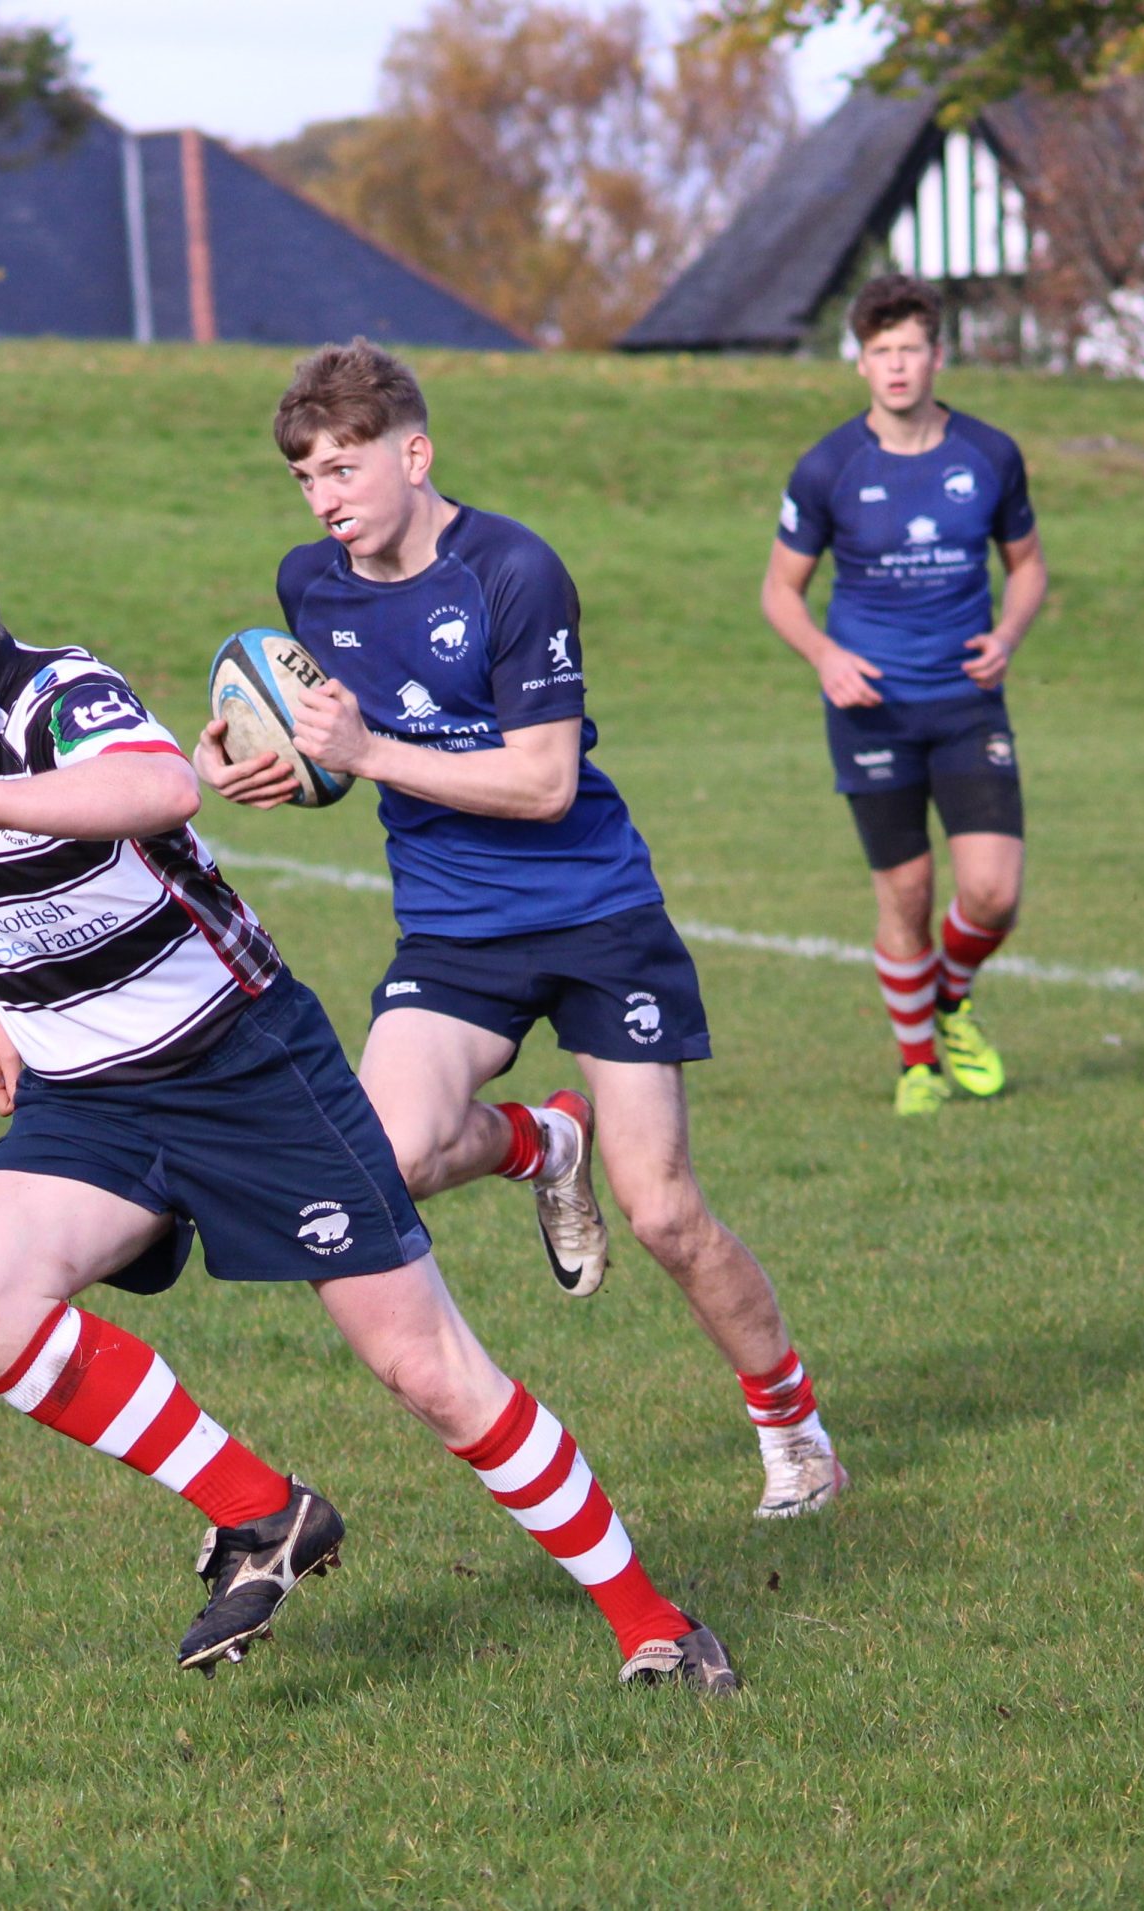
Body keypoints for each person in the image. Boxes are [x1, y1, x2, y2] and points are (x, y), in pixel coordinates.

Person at [0, 485, 737, 1689]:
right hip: (86, 1098)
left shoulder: (62, 700)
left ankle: (653, 1621)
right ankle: (262, 1513)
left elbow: (158, 788)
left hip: (245, 1066)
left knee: (427, 1373)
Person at [195, 339, 847, 1524]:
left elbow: (543, 784)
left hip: (595, 915)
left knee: (663, 1212)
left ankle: (794, 1432)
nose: (324, 499)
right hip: (452, 931)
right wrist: (259, 762)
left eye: (343, 469)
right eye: (304, 478)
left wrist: (366, 753)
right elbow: (335, 747)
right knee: (384, 1162)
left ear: (414, 454)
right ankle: (541, 1143)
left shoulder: (513, 570)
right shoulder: (310, 585)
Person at [759, 274, 1048, 1116]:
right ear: (860, 362)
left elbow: (1028, 566)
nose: (895, 365)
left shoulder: (988, 455)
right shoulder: (829, 467)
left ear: (937, 356)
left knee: (993, 892)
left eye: (910, 349)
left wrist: (1008, 636)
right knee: (908, 893)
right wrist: (824, 656)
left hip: (965, 701)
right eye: (880, 350)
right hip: (871, 708)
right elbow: (779, 591)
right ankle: (917, 1063)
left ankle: (949, 999)